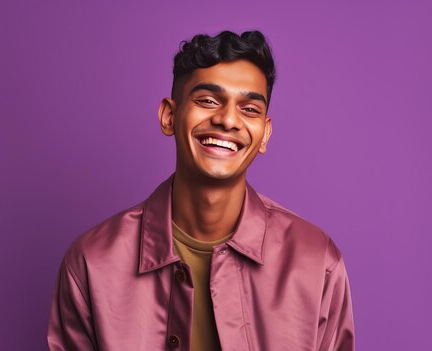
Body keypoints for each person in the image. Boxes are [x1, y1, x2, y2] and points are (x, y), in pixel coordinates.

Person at [47, 30, 354, 351]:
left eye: (249, 109)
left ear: (264, 134)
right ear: (169, 116)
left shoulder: (317, 262)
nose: (228, 120)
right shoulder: (92, 263)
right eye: (208, 101)